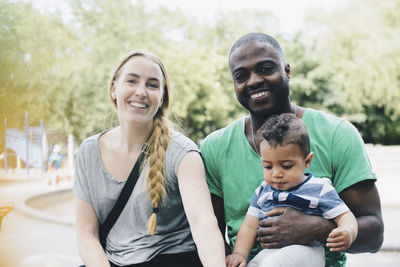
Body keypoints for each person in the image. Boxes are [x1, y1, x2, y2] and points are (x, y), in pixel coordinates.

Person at [200, 33, 384, 267]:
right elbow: (208, 235)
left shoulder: (338, 134)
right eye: (241, 76)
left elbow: (375, 234)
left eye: (266, 68)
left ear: (287, 71)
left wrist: (317, 229)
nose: (254, 81)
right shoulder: (214, 147)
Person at [73, 50, 226, 267]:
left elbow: (203, 224)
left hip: (171, 258)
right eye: (132, 81)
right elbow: (86, 234)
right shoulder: (89, 152)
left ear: (162, 97)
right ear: (114, 88)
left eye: (152, 85)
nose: (141, 92)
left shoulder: (182, 153)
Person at [226, 113, 358, 267]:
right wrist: (239, 254)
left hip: (308, 252)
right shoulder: (262, 192)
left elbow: (345, 215)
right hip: (271, 252)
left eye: (286, 166)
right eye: (268, 166)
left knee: (274, 264)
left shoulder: (319, 188)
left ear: (307, 161)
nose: (276, 174)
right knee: (254, 264)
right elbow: (249, 226)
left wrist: (348, 230)